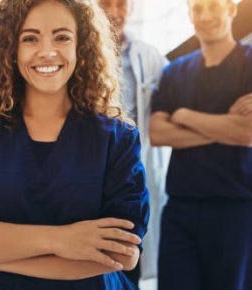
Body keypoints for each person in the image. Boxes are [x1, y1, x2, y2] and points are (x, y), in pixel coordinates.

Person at [0, 0, 149, 289]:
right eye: (30, 38)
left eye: (62, 37)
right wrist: (62, 240)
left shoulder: (116, 138)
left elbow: (120, 254)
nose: (47, 51)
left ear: (82, 45)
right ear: (10, 48)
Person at [149, 0, 252, 289]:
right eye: (198, 8)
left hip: (237, 211)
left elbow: (249, 133)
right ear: (190, 15)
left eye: (213, 6)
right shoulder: (175, 71)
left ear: (232, 9)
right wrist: (227, 125)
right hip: (181, 210)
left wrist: (184, 116)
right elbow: (158, 133)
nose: (206, 15)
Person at [98, 0, 170, 285]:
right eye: (106, 3)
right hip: (86, 173)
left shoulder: (149, 57)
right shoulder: (73, 50)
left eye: (121, 4)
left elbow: (175, 101)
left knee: (127, 260)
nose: (114, 12)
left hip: (127, 178)